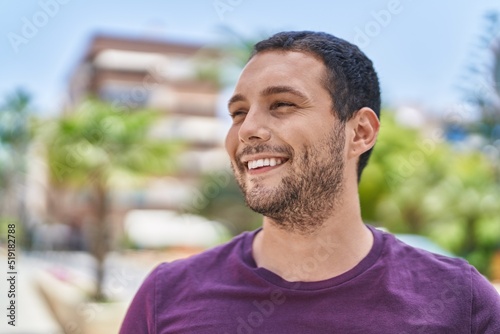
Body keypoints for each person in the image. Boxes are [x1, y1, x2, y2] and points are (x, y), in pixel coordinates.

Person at [119, 31, 500, 333]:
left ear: (360, 132)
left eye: (282, 104)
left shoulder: (460, 302)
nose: (248, 129)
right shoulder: (165, 295)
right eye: (237, 112)